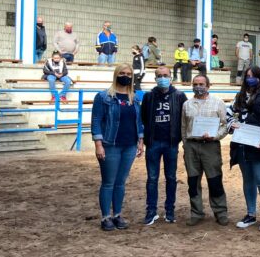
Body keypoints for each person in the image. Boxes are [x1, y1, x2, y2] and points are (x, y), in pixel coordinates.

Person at [91, 64, 144, 231]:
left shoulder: (134, 97)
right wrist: (98, 144)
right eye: (122, 73)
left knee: (121, 182)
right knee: (108, 182)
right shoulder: (103, 97)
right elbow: (96, 121)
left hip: (129, 145)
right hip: (110, 145)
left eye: (128, 73)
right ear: (116, 75)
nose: (125, 76)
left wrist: (140, 140)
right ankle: (106, 216)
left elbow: (138, 121)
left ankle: (117, 214)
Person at [227, 66, 260, 232]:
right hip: (242, 144)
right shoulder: (240, 95)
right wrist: (231, 124)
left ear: (259, 77)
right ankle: (251, 213)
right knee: (247, 180)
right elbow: (228, 112)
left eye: (253, 76)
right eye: (247, 76)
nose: (250, 79)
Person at [140, 65, 187, 225]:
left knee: (171, 177)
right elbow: (144, 118)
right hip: (153, 143)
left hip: (171, 143)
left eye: (165, 75)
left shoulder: (180, 96)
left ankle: (170, 211)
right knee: (152, 178)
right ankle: (151, 211)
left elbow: (184, 119)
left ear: (171, 77)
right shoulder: (148, 97)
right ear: (155, 78)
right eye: (159, 75)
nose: (162, 78)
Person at [181, 74, 228, 226]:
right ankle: (196, 212)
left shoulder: (218, 103)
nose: (198, 87)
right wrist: (185, 144)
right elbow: (183, 126)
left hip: (210, 146)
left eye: (201, 84)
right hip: (191, 145)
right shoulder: (187, 104)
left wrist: (215, 136)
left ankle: (220, 211)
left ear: (208, 85)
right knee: (193, 180)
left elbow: (225, 125)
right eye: (195, 84)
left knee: (214, 179)